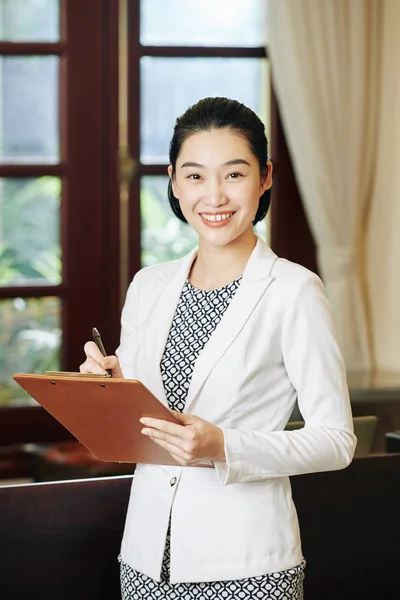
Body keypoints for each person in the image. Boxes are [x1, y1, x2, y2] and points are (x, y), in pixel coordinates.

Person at [80, 97, 356, 600]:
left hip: (246, 561)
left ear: (265, 177)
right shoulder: (149, 285)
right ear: (173, 180)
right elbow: (146, 410)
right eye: (195, 175)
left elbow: (336, 441)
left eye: (233, 174)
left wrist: (222, 445)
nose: (214, 196)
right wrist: (109, 383)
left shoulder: (294, 290)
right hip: (145, 553)